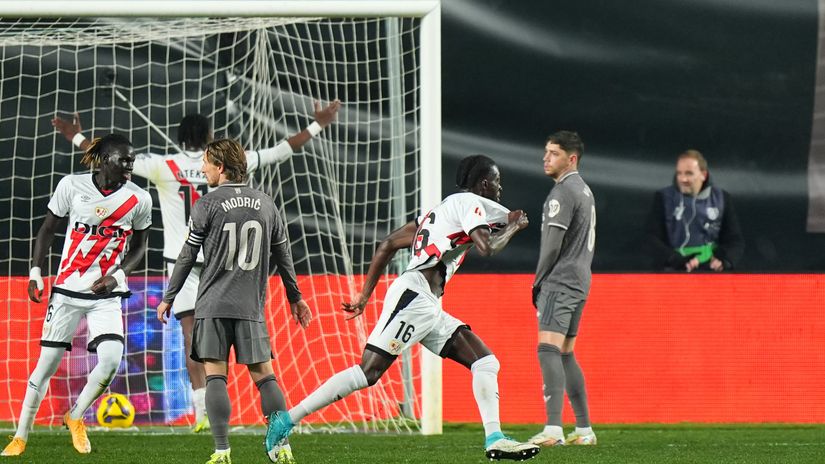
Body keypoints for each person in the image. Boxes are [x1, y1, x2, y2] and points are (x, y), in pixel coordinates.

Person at [52, 100, 339, 432]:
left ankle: (202, 411)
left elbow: (107, 156)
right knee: (246, 342)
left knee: (192, 337)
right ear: (209, 136)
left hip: (183, 263)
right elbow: (280, 150)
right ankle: (265, 416)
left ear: (180, 137)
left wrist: (76, 136)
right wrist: (318, 124)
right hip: (226, 265)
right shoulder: (228, 162)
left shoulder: (164, 165)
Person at [264, 155, 540, 462]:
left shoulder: (439, 211)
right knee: (368, 372)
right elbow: (487, 247)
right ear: (484, 183)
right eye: (497, 181)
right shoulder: (471, 204)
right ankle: (286, 420)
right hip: (414, 297)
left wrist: (364, 296)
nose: (500, 188)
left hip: (427, 304)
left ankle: (495, 438)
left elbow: (387, 243)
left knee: (485, 362)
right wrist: (514, 226)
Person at [155, 138, 312, 464]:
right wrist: (295, 297)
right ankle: (283, 447)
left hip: (212, 305)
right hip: (250, 306)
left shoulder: (206, 204)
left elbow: (187, 256)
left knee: (215, 376)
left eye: (206, 163)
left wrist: (169, 296)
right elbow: (283, 255)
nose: (202, 169)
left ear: (221, 167)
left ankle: (222, 451)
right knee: (265, 376)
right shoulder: (266, 203)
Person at [1, 134, 152, 456]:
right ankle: (20, 437)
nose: (130, 165)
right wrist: (35, 272)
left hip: (106, 293)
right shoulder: (71, 185)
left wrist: (117, 276)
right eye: (124, 159)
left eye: (132, 159)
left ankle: (76, 415)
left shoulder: (139, 198)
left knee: (111, 360)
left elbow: (140, 246)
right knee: (45, 367)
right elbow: (47, 229)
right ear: (105, 160)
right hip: (67, 291)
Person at [528, 130, 597, 447]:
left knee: (548, 350)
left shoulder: (563, 192)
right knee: (566, 353)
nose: (546, 158)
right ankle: (583, 430)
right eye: (546, 151)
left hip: (561, 279)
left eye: (554, 153)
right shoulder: (584, 189)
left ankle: (553, 429)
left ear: (572, 158)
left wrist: (538, 280)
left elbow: (553, 245)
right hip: (581, 278)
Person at [645, 149, 744, 272]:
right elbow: (651, 238)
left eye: (689, 173)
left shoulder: (721, 198)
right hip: (674, 269)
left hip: (710, 270)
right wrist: (673, 259)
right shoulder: (664, 198)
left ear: (704, 175)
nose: (683, 179)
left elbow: (735, 240)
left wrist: (725, 261)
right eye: (679, 173)